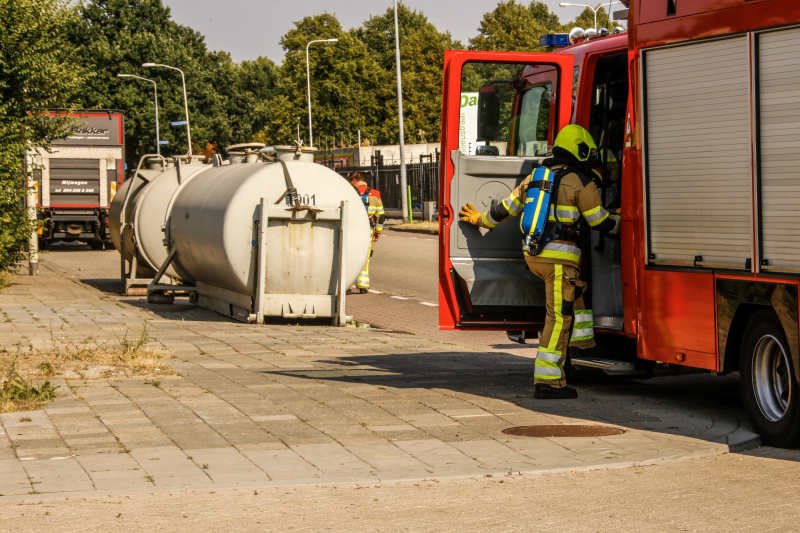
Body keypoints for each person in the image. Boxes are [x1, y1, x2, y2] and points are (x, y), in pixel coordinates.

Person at [459, 125, 620, 399]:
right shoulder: (580, 181)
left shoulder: (535, 177)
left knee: (576, 291)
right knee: (558, 317)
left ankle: (583, 344)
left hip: (534, 256)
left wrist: (478, 219)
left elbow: (504, 210)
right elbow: (599, 221)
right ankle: (548, 382)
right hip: (560, 260)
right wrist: (623, 221)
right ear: (580, 150)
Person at [348, 172, 384, 293]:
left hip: (350, 229)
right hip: (367, 230)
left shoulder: (349, 191)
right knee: (364, 257)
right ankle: (363, 286)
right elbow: (380, 215)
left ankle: (347, 286)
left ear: (353, 180)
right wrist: (378, 231)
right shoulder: (375, 194)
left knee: (348, 256)